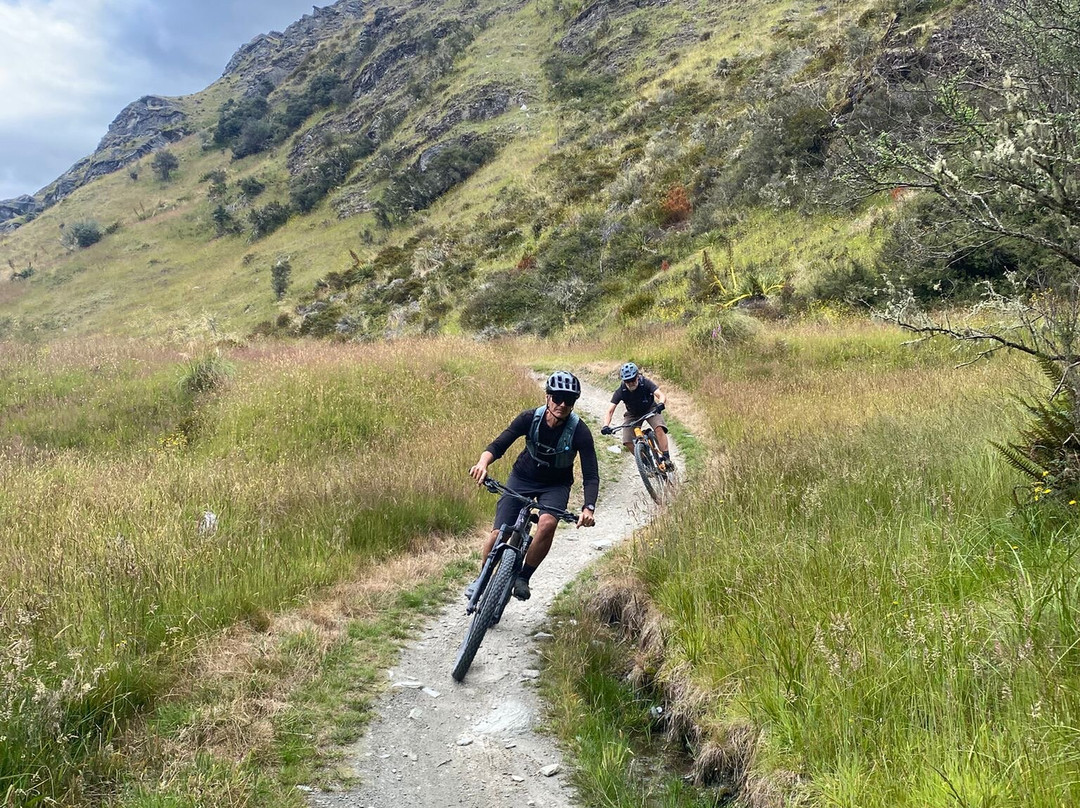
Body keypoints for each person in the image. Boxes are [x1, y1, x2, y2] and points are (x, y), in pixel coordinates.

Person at [468, 370, 598, 601]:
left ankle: (523, 577)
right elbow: (499, 444)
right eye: (557, 398)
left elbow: (590, 475)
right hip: (523, 477)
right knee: (500, 532)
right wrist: (482, 463)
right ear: (547, 397)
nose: (562, 404)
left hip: (556, 485)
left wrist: (588, 508)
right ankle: (483, 578)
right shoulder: (529, 418)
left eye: (568, 400)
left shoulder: (580, 431)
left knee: (547, 524)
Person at [600, 362, 673, 468]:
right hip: (632, 414)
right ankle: (646, 464)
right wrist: (605, 425)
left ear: (637, 376)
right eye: (627, 381)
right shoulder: (621, 391)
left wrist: (661, 403)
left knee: (659, 428)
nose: (630, 383)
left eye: (633, 379)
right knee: (627, 441)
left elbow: (660, 394)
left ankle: (666, 458)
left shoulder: (645, 383)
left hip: (650, 409)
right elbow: (610, 411)